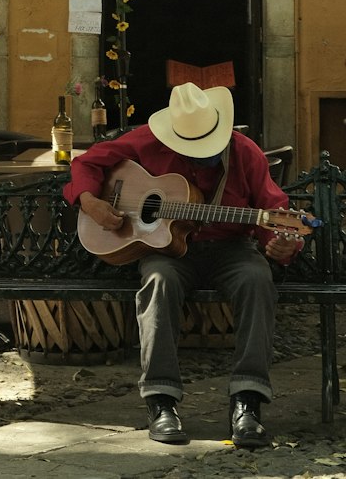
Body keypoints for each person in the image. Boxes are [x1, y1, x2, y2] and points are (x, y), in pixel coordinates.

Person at [64, 82, 303, 449]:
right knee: (158, 282)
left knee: (257, 279)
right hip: (168, 252)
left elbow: (272, 216)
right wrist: (89, 201)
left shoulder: (246, 153)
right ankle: (161, 401)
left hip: (230, 249)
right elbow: (87, 161)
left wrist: (280, 246)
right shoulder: (146, 141)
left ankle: (247, 401)